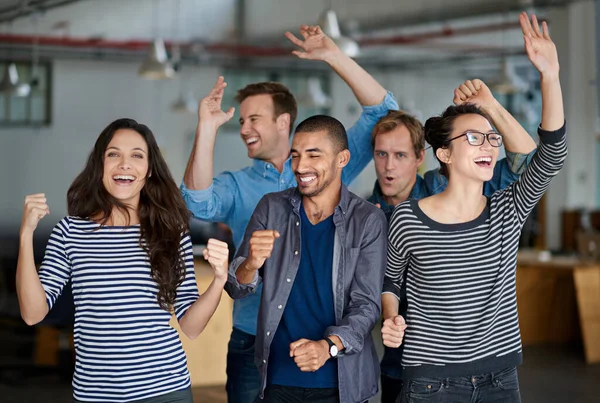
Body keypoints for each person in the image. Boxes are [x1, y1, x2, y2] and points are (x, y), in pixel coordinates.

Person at [181, 25, 398, 402]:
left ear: (284, 122)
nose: (243, 127)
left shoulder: (333, 162)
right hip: (256, 339)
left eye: (253, 119)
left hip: (333, 352)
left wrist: (334, 56)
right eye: (241, 120)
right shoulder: (245, 188)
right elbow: (196, 202)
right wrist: (206, 126)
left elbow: (383, 111)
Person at [381, 12, 566, 403]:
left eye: (491, 138)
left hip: (500, 378)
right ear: (444, 153)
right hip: (430, 382)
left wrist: (548, 76)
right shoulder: (408, 217)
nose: (488, 144)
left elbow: (549, 156)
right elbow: (392, 281)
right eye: (473, 138)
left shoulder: (507, 209)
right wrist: (390, 315)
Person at [16, 118, 229, 403]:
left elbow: (190, 327)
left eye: (137, 156)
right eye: (113, 154)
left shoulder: (171, 232)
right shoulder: (71, 232)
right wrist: (26, 233)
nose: (124, 164)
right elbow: (33, 314)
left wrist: (218, 280)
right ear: (100, 166)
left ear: (150, 170)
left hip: (166, 390)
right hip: (95, 394)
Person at [369, 85, 537, 402]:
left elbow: (527, 163)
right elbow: (384, 279)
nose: (389, 166)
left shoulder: (453, 186)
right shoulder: (370, 213)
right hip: (407, 363)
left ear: (422, 157)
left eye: (400, 155)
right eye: (381, 154)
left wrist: (491, 107)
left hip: (482, 366)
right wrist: (388, 315)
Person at [226, 115, 387, 403]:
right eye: (296, 155)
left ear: (342, 159)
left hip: (341, 381)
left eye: (314, 155)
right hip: (277, 376)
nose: (300, 167)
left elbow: (366, 305)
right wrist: (250, 263)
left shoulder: (367, 220)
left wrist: (328, 347)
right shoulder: (271, 207)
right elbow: (237, 288)